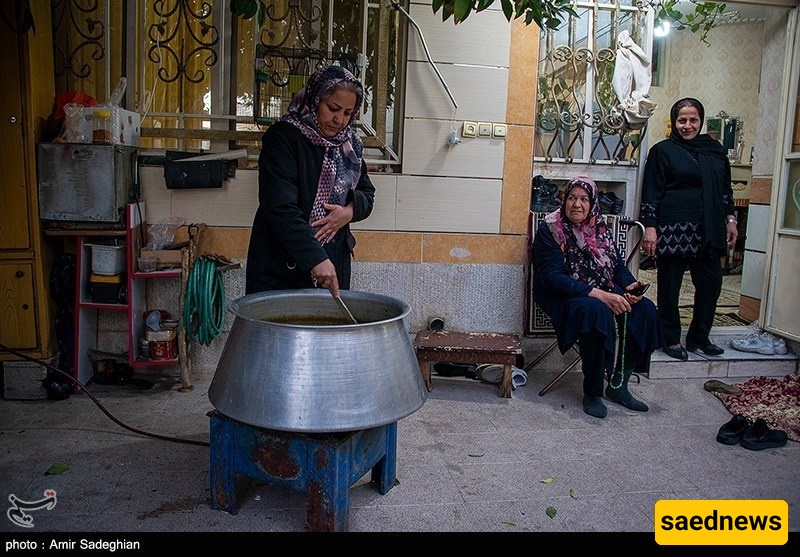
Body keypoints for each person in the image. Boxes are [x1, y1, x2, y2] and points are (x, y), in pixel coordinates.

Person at [532, 176, 663, 418]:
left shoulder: (599, 227)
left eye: (584, 199)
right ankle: (593, 392)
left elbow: (616, 266)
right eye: (572, 198)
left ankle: (619, 385)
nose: (577, 204)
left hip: (600, 289)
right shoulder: (550, 229)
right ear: (564, 200)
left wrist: (630, 285)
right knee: (596, 312)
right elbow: (552, 278)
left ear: (592, 203)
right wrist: (601, 295)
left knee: (644, 309)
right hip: (561, 293)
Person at [245, 65, 375, 298]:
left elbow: (367, 193)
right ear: (315, 100)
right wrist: (315, 258)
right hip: (281, 265)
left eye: (347, 113)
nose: (339, 120)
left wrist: (348, 212)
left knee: (327, 321)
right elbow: (279, 206)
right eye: (332, 108)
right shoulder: (284, 137)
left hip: (333, 260)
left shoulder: (349, 146)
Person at [639, 98, 737, 361]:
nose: (687, 125)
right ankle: (670, 338)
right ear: (674, 122)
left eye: (693, 120)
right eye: (682, 120)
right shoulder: (663, 151)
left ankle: (699, 337)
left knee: (711, 285)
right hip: (674, 230)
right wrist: (650, 227)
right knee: (669, 288)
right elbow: (651, 191)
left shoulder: (715, 151)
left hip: (709, 230)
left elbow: (725, 189)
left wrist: (730, 219)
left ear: (701, 121)